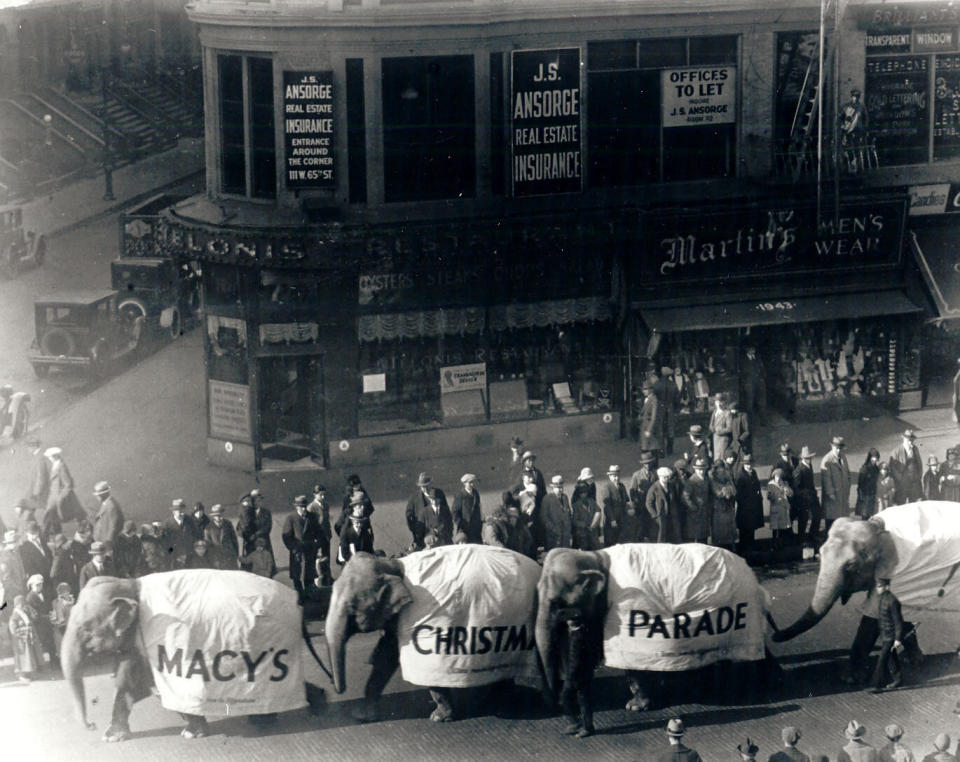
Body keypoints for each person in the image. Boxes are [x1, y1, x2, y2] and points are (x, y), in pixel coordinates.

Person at [868, 576, 905, 693]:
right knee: (891, 657)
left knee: (882, 659)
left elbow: (898, 621)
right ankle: (898, 679)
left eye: (880, 586)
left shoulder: (893, 601)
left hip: (890, 636)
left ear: (886, 587)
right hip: (885, 634)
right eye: (877, 587)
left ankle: (875, 685)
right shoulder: (882, 598)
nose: (877, 589)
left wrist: (898, 639)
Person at [282, 495, 320, 595]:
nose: (303, 509)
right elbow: (286, 536)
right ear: (296, 507)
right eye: (301, 506)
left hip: (309, 551)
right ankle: (300, 598)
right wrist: (293, 548)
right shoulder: (291, 518)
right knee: (297, 577)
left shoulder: (312, 517)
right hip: (297, 553)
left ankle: (310, 599)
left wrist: (316, 546)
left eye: (304, 506)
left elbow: (319, 532)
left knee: (309, 577)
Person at [405, 472, 452, 550]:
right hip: (423, 536)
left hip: (441, 536)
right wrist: (415, 531)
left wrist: (448, 532)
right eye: (422, 487)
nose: (425, 489)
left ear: (431, 484)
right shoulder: (414, 498)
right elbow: (409, 515)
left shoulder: (439, 493)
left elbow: (446, 514)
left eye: (427, 486)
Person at [44, 447, 86, 525]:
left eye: (50, 457)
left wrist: (61, 497)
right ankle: (54, 533)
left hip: (58, 495)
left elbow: (68, 484)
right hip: (53, 495)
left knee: (50, 515)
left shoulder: (61, 466)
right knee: (50, 516)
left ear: (55, 456)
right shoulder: (55, 465)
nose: (49, 459)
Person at [25, 573, 57, 671]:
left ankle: (54, 660)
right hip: (38, 624)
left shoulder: (44, 594)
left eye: (41, 584)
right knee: (39, 644)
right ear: (31, 586)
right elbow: (34, 614)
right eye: (37, 585)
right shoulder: (30, 597)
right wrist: (47, 617)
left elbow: (47, 605)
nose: (39, 587)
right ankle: (39, 665)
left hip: (46, 622)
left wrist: (51, 612)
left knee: (51, 641)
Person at [735, 453, 764, 556]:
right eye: (747, 464)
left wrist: (759, 498)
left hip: (754, 506)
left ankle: (751, 548)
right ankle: (744, 551)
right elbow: (738, 494)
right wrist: (745, 503)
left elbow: (757, 487)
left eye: (750, 463)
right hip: (745, 508)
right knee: (744, 529)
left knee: (752, 528)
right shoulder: (740, 476)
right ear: (743, 464)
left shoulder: (753, 473)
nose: (749, 466)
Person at [821, 436, 852, 534]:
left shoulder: (843, 457)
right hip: (833, 497)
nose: (838, 450)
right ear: (832, 447)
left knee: (842, 520)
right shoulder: (827, 460)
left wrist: (848, 487)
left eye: (840, 448)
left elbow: (848, 473)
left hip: (843, 495)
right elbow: (826, 479)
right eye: (836, 448)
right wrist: (831, 493)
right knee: (831, 521)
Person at [8, 594, 42, 682]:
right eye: (21, 604)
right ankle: (21, 675)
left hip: (25, 640)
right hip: (19, 641)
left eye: (23, 604)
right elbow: (13, 629)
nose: (23, 606)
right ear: (17, 605)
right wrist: (23, 630)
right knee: (21, 657)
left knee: (27, 657)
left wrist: (30, 609)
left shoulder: (25, 613)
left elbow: (35, 617)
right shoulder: (15, 615)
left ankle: (27, 673)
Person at [162, 498, 202, 570]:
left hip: (189, 554)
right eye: (179, 511)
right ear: (173, 512)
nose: (182, 513)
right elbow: (165, 542)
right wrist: (171, 553)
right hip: (174, 556)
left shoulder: (190, 521)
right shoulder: (167, 524)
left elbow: (196, 535)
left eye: (183, 510)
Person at [646, 466, 683, 544]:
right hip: (661, 516)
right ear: (660, 477)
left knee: (673, 536)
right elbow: (648, 504)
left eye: (668, 477)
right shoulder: (654, 488)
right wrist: (655, 515)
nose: (667, 479)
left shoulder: (671, 486)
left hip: (672, 516)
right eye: (665, 477)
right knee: (661, 537)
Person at [710, 451, 737, 550]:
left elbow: (734, 491)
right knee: (719, 532)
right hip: (718, 508)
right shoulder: (712, 478)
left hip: (728, 507)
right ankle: (719, 549)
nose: (720, 470)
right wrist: (726, 490)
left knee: (730, 531)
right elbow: (717, 492)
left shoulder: (728, 477)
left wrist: (727, 490)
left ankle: (731, 548)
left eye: (721, 467)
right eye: (718, 468)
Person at [595, 465, 629, 547]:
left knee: (620, 541)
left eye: (617, 476)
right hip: (611, 521)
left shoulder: (622, 486)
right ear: (610, 476)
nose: (616, 478)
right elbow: (607, 506)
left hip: (621, 518)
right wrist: (612, 520)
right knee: (611, 542)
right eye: (614, 476)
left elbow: (626, 500)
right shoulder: (607, 487)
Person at [794, 446, 822, 544]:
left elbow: (811, 483)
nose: (809, 460)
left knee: (818, 515)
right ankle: (801, 539)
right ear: (802, 459)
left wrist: (814, 492)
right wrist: (803, 496)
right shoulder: (799, 470)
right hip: (803, 499)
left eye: (810, 458)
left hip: (813, 496)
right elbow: (796, 488)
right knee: (803, 519)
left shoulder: (809, 467)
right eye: (807, 458)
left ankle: (813, 535)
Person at [307, 484, 333, 586]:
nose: (323, 497)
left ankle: (327, 579)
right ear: (315, 495)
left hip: (326, 536)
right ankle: (319, 580)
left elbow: (326, 521)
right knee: (318, 559)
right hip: (317, 538)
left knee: (327, 557)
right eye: (320, 495)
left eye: (324, 494)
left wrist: (329, 533)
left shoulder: (326, 505)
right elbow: (310, 525)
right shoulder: (311, 507)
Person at [238, 488, 274, 560]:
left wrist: (255, 535)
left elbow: (267, 527)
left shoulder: (266, 512)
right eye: (254, 500)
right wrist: (244, 535)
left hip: (263, 541)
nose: (257, 502)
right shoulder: (247, 512)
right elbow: (239, 527)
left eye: (259, 500)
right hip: (250, 543)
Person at [889, 429, 923, 505]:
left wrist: (918, 476)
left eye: (912, 440)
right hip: (902, 483)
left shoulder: (915, 449)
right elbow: (892, 468)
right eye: (909, 440)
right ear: (904, 439)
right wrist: (899, 478)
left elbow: (919, 464)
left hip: (914, 482)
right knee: (901, 504)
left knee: (914, 504)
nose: (910, 442)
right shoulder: (896, 451)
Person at [682, 457, 711, 544]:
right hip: (694, 514)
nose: (701, 472)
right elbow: (684, 497)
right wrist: (693, 507)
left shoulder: (706, 479)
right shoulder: (691, 481)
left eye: (703, 469)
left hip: (704, 512)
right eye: (699, 470)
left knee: (703, 536)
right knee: (694, 536)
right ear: (695, 469)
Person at [541, 474, 573, 551]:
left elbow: (568, 512)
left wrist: (568, 526)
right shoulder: (547, 499)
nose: (560, 490)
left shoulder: (565, 497)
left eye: (561, 487)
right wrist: (552, 528)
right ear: (553, 488)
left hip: (565, 533)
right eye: (558, 488)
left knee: (565, 554)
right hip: (553, 534)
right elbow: (544, 517)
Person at [571, 469, 601, 550]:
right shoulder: (579, 487)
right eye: (589, 478)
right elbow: (574, 502)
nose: (591, 480)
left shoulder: (593, 485)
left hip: (591, 510)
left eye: (591, 478)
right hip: (581, 517)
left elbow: (593, 500)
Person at [204, 504, 240, 570]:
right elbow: (208, 546)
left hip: (230, 557)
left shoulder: (228, 524)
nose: (219, 517)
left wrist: (236, 555)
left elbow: (234, 540)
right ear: (213, 516)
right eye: (216, 516)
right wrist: (213, 559)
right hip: (217, 558)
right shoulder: (208, 528)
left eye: (220, 515)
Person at [91, 481, 124, 552]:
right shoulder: (107, 503)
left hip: (107, 544)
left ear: (104, 494)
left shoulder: (111, 506)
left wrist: (108, 543)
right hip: (103, 542)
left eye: (98, 495)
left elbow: (114, 526)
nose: (97, 497)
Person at [19, 519, 52, 589]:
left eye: (35, 533)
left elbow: (49, 555)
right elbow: (28, 566)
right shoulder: (24, 547)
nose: (34, 536)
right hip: (39, 579)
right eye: (31, 534)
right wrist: (38, 578)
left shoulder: (42, 540)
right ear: (27, 533)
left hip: (49, 574)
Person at [452, 474, 483, 544]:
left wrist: (480, 521)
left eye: (473, 482)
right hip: (465, 529)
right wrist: (462, 524)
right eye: (470, 483)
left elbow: (478, 508)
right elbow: (454, 513)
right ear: (464, 483)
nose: (472, 484)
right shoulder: (460, 495)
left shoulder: (475, 493)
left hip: (476, 529)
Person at [767, 468, 794, 551]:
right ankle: (774, 545)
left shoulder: (785, 483)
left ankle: (782, 545)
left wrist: (787, 490)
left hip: (783, 508)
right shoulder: (770, 484)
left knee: (783, 527)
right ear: (774, 476)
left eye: (780, 477)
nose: (779, 478)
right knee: (775, 528)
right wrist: (774, 496)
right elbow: (769, 497)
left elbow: (791, 494)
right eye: (777, 476)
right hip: (775, 508)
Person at [741, 345, 767, 423]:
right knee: (750, 402)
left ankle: (763, 420)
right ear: (747, 349)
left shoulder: (758, 359)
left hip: (760, 383)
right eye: (751, 348)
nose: (753, 350)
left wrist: (762, 379)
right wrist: (745, 383)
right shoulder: (743, 360)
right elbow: (742, 373)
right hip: (749, 384)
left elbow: (763, 370)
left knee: (762, 401)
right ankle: (750, 421)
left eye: (754, 348)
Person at [638, 381, 663, 457]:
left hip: (650, 428)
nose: (643, 391)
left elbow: (654, 416)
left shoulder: (654, 400)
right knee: (646, 448)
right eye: (643, 389)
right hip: (644, 426)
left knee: (652, 448)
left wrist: (649, 429)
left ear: (651, 390)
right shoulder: (646, 399)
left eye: (646, 389)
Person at [50, 581, 75, 656]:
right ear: (61, 593)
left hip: (71, 626)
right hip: (62, 627)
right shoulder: (58, 602)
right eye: (64, 592)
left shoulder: (71, 600)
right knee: (64, 646)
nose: (67, 593)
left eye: (67, 591)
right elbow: (60, 618)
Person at [856, 449, 881, 519]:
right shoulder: (865, 468)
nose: (875, 459)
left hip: (873, 494)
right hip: (865, 495)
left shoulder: (876, 469)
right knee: (865, 514)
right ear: (870, 457)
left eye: (877, 457)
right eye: (874, 457)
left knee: (872, 514)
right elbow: (860, 483)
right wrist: (861, 495)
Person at [710, 394, 732, 469]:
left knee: (722, 457)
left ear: (724, 402)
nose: (718, 404)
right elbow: (711, 423)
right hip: (715, 438)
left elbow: (729, 428)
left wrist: (720, 431)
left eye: (720, 402)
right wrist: (712, 428)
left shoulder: (727, 413)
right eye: (717, 402)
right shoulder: (715, 412)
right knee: (716, 457)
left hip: (723, 439)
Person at [728, 398, 751, 463]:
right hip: (735, 444)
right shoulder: (733, 417)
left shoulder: (744, 416)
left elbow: (747, 431)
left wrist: (740, 440)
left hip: (742, 444)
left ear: (736, 409)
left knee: (743, 461)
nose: (731, 411)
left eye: (732, 410)